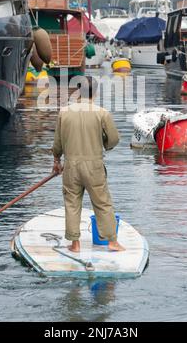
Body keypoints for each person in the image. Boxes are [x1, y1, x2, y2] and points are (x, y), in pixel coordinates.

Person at [52, 76, 125, 253]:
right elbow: (114, 139)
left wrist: (56, 160)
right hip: (94, 166)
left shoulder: (64, 112)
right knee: (102, 203)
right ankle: (112, 242)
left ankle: (75, 244)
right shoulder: (102, 113)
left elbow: (57, 143)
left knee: (72, 203)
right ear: (96, 92)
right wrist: (105, 145)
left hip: (71, 166)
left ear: (77, 91)